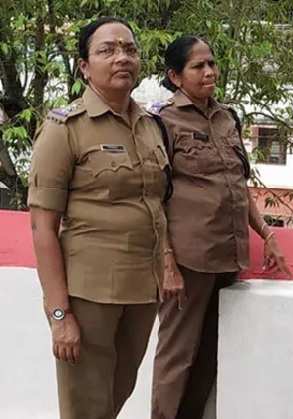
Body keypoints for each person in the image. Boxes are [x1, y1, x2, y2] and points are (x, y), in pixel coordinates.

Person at [28, 17, 169, 419]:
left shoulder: (149, 125)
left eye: (129, 49)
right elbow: (42, 227)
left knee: (113, 401)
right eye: (107, 50)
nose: (122, 57)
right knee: (86, 410)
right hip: (88, 296)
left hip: (142, 291)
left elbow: (158, 205)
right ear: (85, 67)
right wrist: (59, 315)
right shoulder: (64, 129)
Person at [149, 35, 292, 419]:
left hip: (227, 254)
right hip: (188, 258)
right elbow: (153, 198)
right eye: (198, 66)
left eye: (212, 63)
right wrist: (166, 263)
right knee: (177, 355)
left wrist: (268, 234)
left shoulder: (227, 117)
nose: (209, 71)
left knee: (210, 354)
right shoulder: (162, 122)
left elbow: (238, 186)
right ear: (174, 76)